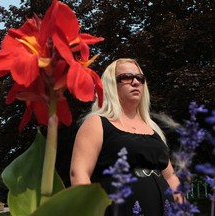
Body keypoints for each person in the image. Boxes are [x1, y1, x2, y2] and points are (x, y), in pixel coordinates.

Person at [70, 58, 181, 216]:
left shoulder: (153, 129)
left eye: (140, 78)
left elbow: (170, 176)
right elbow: (79, 174)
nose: (135, 82)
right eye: (127, 77)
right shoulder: (97, 123)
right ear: (111, 84)